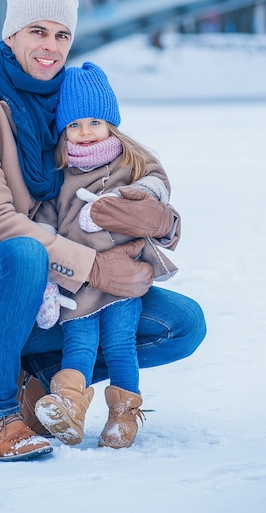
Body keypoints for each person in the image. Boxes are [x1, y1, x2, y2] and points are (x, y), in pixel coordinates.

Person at [0, 0, 206, 463]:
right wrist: (97, 269)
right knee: (22, 252)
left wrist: (159, 220)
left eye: (62, 35)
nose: (51, 47)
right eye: (38, 31)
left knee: (181, 324)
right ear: (10, 34)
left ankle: (43, 384)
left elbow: (123, 170)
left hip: (58, 287)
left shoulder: (67, 101)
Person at [33, 61, 180, 449]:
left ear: (111, 124)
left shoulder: (130, 161)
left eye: (95, 122)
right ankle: (70, 406)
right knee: (78, 345)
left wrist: (134, 200)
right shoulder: (60, 174)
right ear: (63, 130)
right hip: (80, 282)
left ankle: (123, 415)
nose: (85, 133)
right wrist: (49, 277)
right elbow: (45, 218)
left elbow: (157, 181)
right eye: (74, 125)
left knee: (119, 344)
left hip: (124, 277)